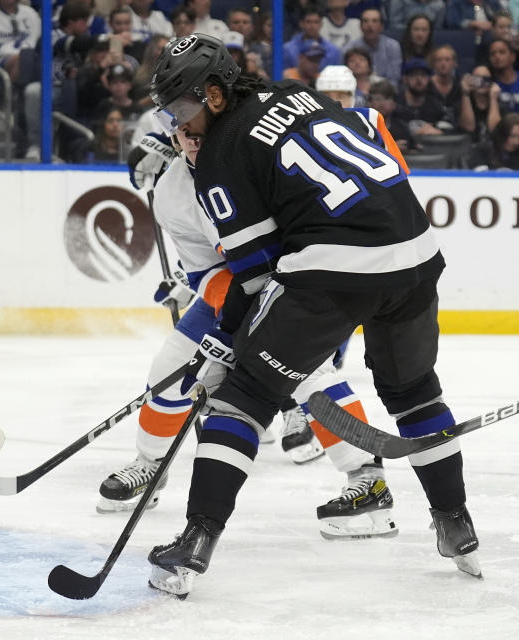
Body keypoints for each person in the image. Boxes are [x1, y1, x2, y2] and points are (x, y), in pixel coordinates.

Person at [145, 33, 480, 597]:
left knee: (242, 399)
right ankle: (456, 522)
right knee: (416, 391)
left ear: (216, 95)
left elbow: (254, 275)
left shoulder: (220, 157)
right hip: (416, 253)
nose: (180, 125)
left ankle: (196, 539)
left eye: (183, 108)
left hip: (337, 267)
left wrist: (225, 345)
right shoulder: (299, 95)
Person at [109, 124, 404, 542]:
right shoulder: (173, 191)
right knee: (170, 371)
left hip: (288, 288)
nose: (194, 137)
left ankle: (368, 481)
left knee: (311, 376)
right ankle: (150, 467)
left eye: (200, 128)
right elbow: (203, 270)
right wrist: (232, 318)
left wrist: (267, 312)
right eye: (183, 130)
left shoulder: (253, 164)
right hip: (232, 294)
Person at [356, 7, 402, 88]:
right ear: (360, 26)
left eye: (374, 21)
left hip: (386, 92)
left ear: (382, 26)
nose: (370, 25)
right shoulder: (351, 48)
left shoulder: (393, 46)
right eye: (366, 21)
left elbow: (394, 80)